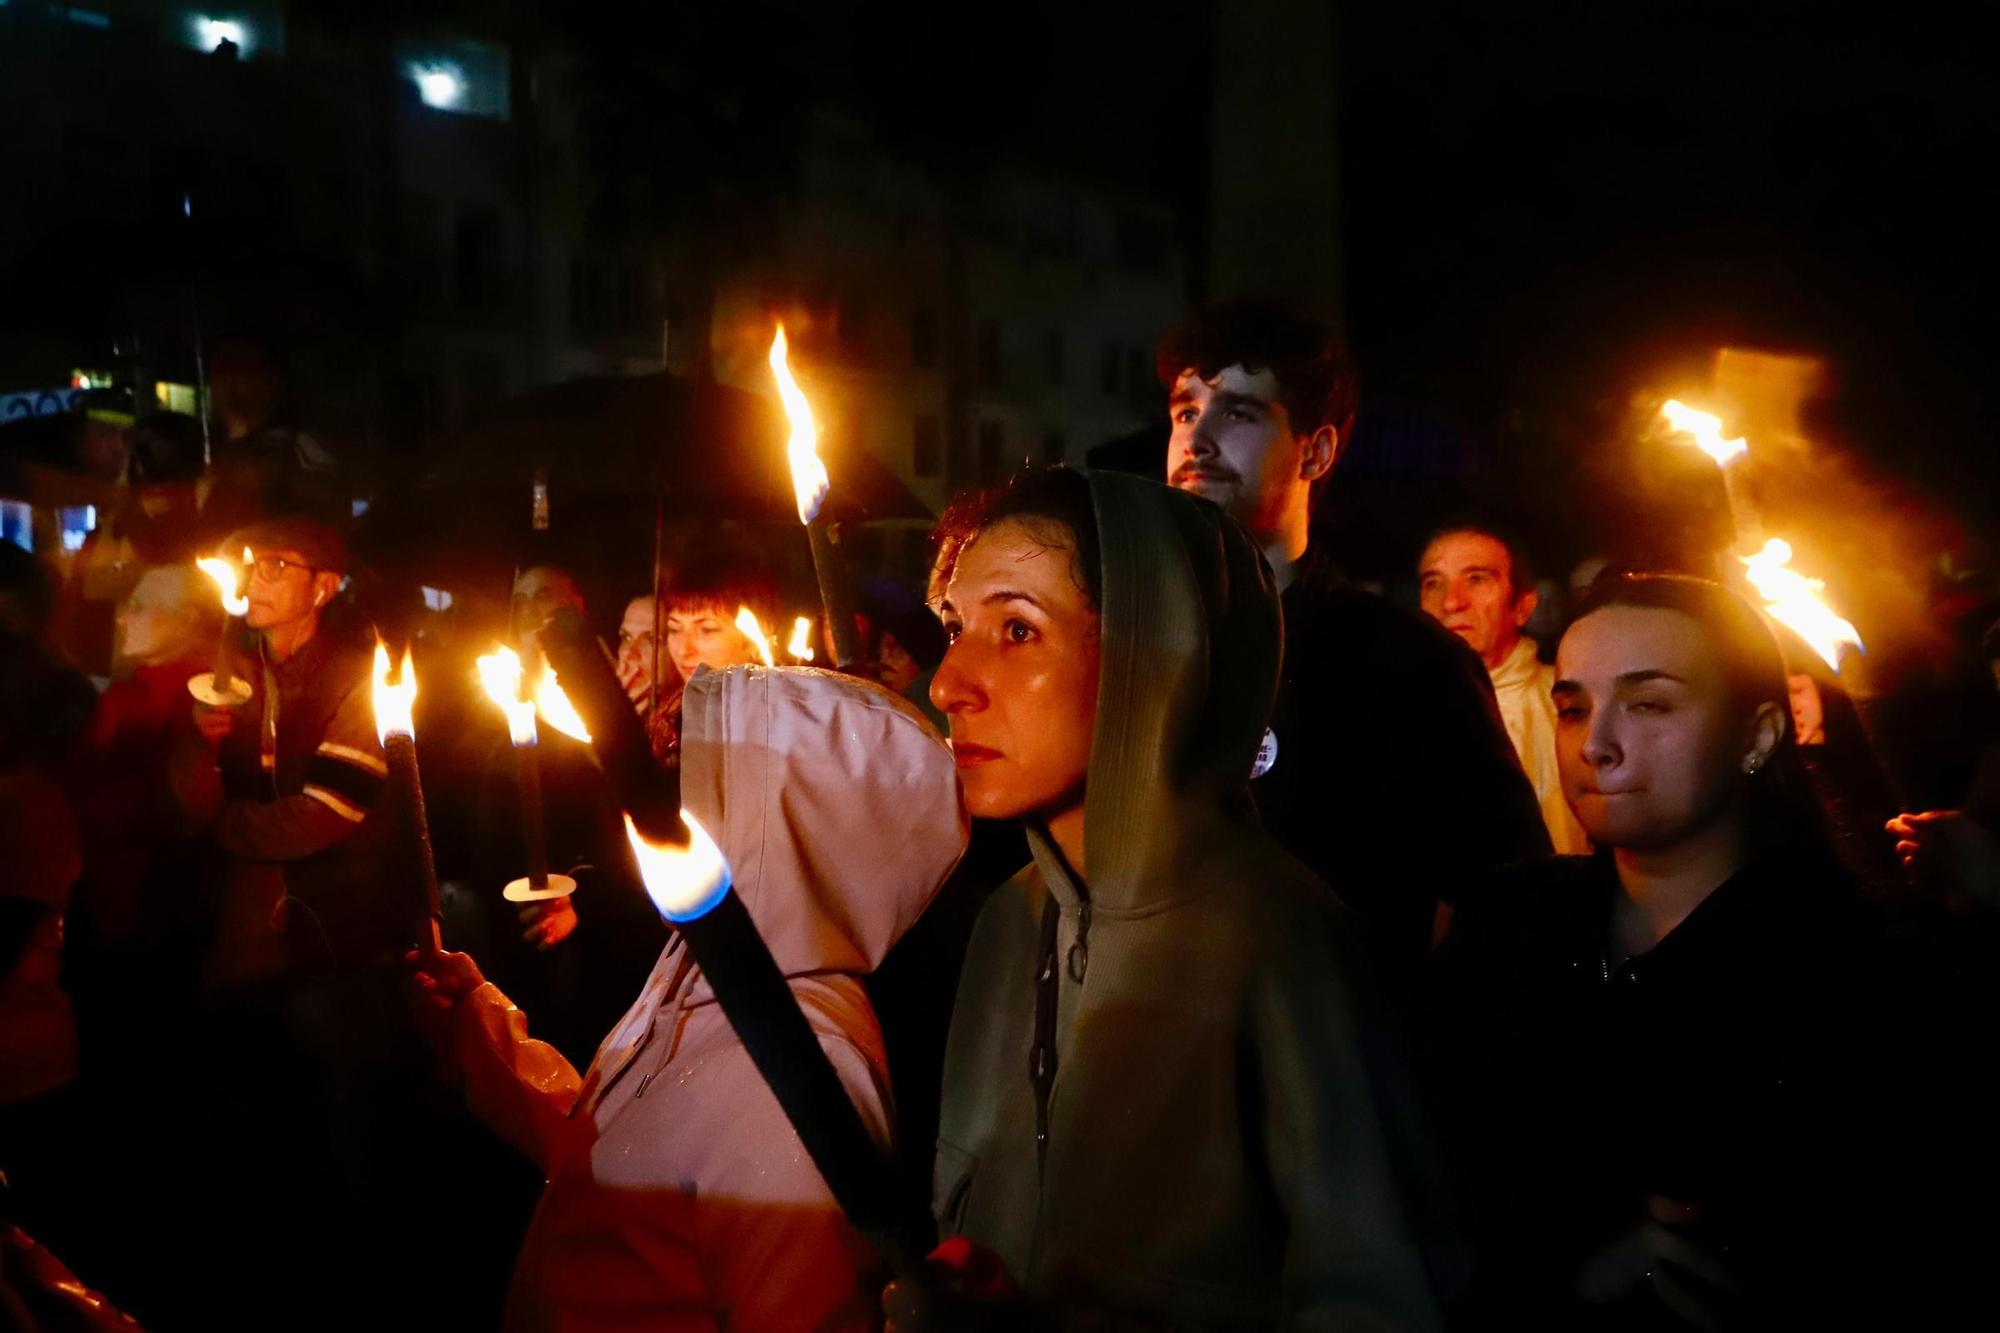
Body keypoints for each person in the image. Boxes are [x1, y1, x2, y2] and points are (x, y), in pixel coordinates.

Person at [915, 468, 1449, 1327]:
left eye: (1017, 629)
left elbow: (1381, 1302)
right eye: (954, 627)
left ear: (1154, 658)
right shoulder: (1006, 924)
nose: (949, 683)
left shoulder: (1286, 948)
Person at [1436, 573, 1991, 1325]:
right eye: (1572, 707)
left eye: (1649, 703)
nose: (1595, 744)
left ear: (1758, 736)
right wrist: (1563, 1252)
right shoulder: (1506, 926)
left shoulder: (1862, 971)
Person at [410, 662, 967, 1330]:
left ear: (780, 817)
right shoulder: (701, 963)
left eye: (693, 771)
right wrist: (482, 1026)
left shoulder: (803, 1069)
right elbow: (618, 1159)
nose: (658, 801)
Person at [1159, 299, 1548, 959]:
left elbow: (1514, 905)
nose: (1198, 439)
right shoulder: (1127, 640)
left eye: (1241, 412)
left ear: (1316, 451)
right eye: (1187, 411)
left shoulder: (1407, 663)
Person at [166, 515, 429, 1326]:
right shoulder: (226, 677)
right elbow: (180, 807)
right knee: (250, 1141)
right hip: (239, 948)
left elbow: (329, 809)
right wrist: (196, 748)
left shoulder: (355, 674)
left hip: (334, 946)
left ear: (323, 587)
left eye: (278, 564)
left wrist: (226, 825)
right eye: (246, 562)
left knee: (341, 1148)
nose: (256, 576)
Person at [1419, 522, 1590, 854]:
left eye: (1476, 579)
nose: (1451, 603)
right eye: (1433, 583)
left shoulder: (1571, 703)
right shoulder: (1400, 712)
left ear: (1522, 607)